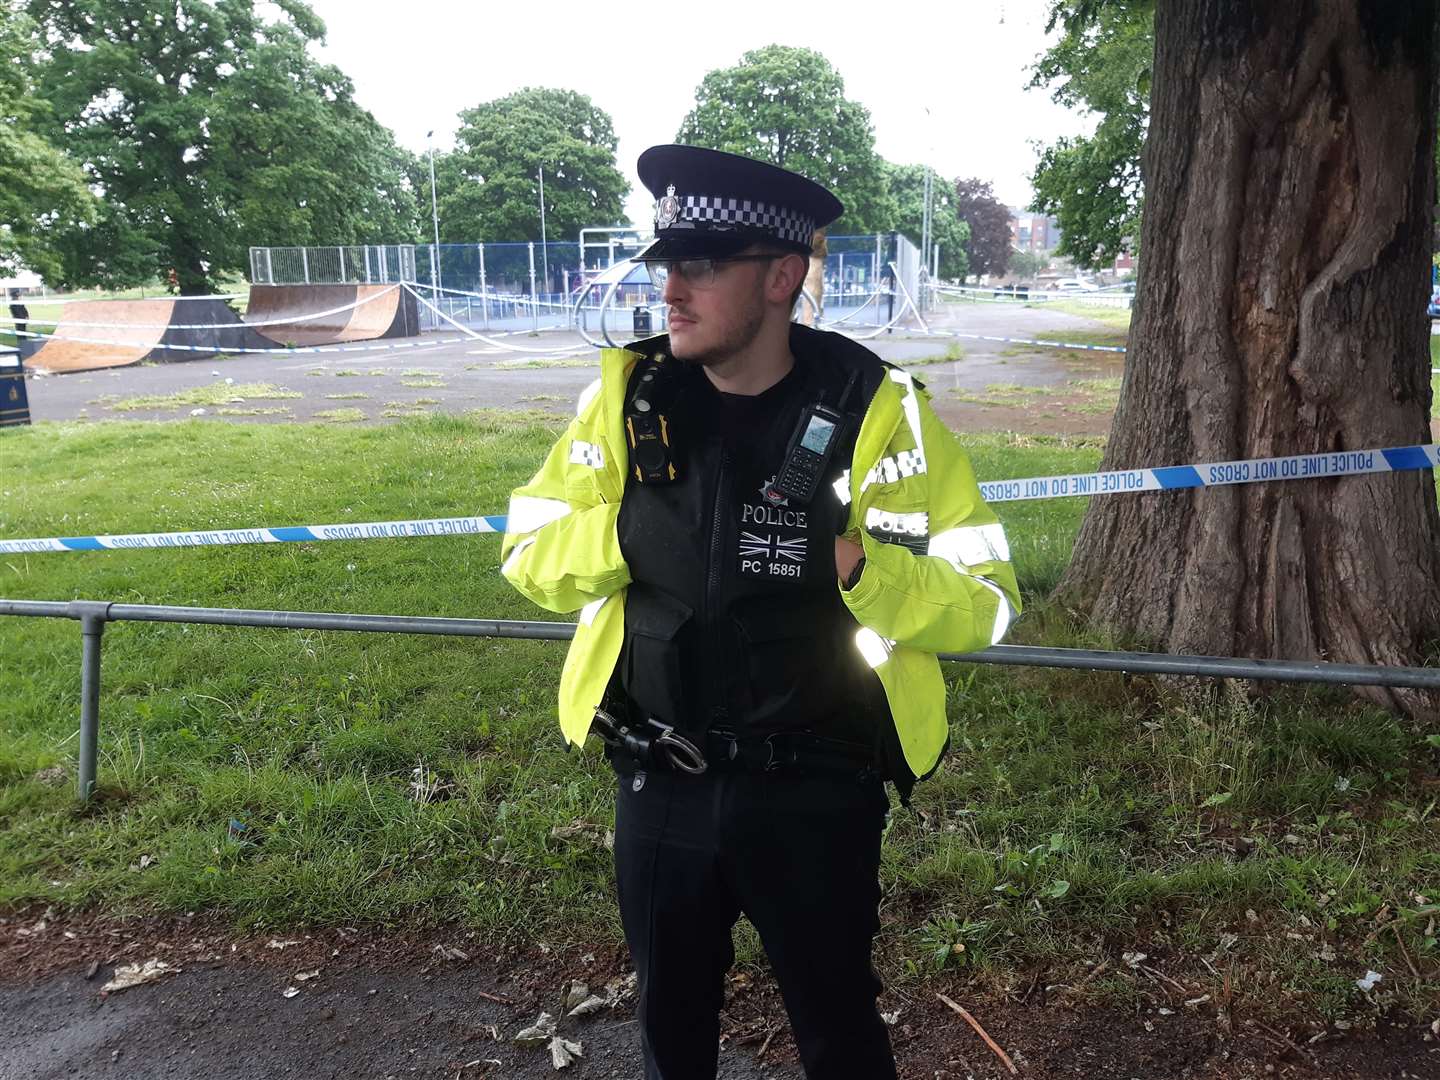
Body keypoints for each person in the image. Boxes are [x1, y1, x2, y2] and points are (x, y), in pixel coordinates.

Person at [500, 144, 1020, 1080]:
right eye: (666, 265)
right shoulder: (626, 399)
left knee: (837, 1030)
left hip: (817, 788)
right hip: (660, 780)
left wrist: (856, 566)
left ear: (782, 276)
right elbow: (527, 552)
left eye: (701, 266)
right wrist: (627, 537)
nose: (672, 290)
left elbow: (985, 603)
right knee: (669, 1026)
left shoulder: (877, 410)